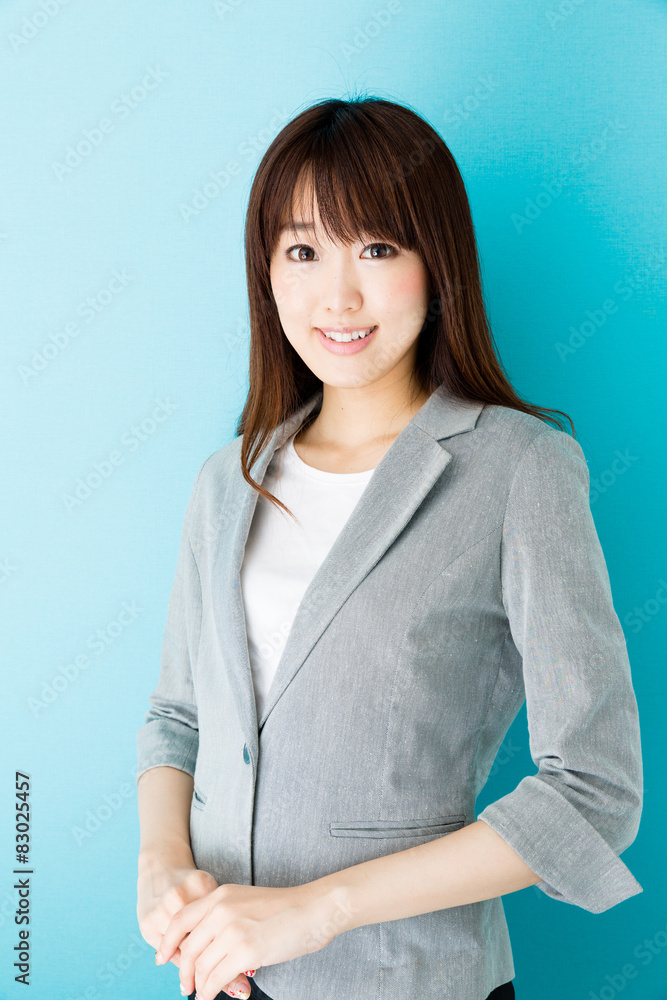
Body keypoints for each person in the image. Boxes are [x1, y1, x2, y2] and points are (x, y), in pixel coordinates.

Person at [135, 96, 643, 1000]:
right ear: (267, 273)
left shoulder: (520, 468)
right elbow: (178, 719)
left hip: (414, 981)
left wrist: (316, 908)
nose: (338, 295)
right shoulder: (226, 480)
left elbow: (591, 792)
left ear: (435, 262)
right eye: (302, 251)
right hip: (218, 980)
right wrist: (159, 863)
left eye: (376, 248)